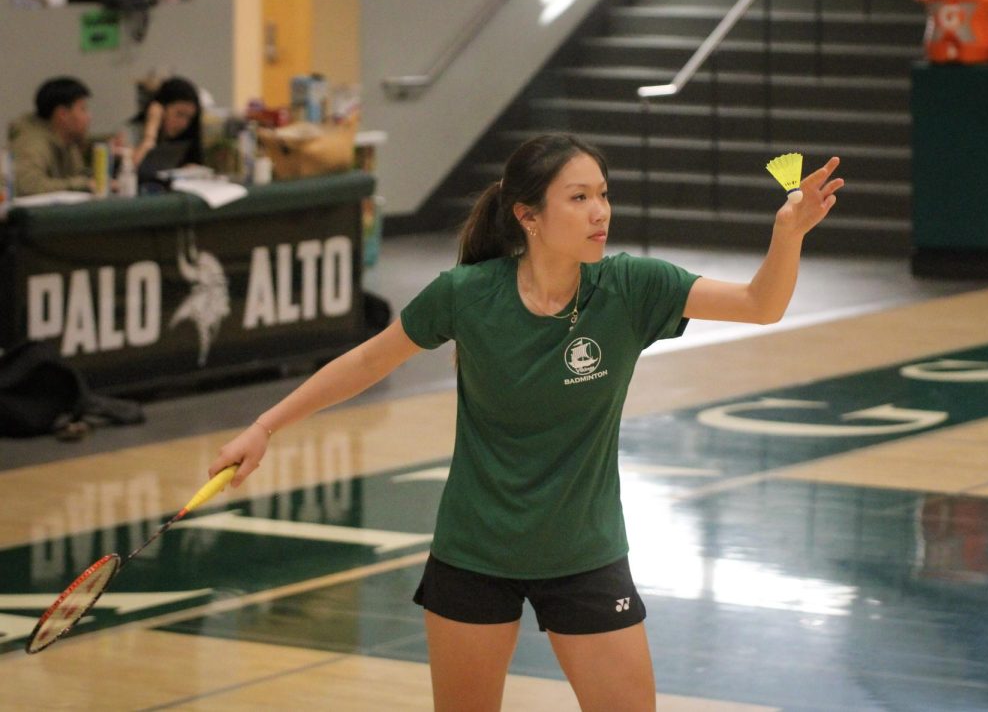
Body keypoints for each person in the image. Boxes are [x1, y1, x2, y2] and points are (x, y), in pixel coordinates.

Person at [209, 133, 843, 711]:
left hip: (585, 553)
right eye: (579, 197)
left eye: (603, 194)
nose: (601, 211)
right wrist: (264, 425)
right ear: (528, 216)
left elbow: (761, 305)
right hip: (475, 551)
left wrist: (788, 235)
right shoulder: (466, 294)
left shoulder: (631, 288)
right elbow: (369, 361)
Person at [8, 77, 93, 196]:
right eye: (83, 109)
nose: (89, 117)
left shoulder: (67, 141)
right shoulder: (32, 143)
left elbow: (78, 174)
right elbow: (28, 186)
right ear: (62, 114)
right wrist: (83, 184)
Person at [128, 76, 203, 181]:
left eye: (189, 118)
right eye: (179, 114)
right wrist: (150, 132)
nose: (184, 124)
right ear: (160, 108)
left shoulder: (180, 140)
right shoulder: (131, 131)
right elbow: (128, 169)